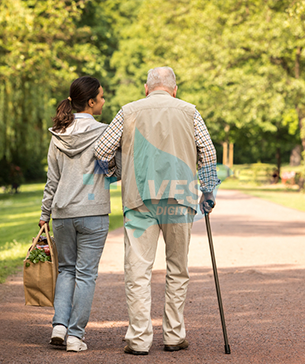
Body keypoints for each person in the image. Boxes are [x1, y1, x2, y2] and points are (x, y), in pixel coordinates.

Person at [94, 67, 221, 355]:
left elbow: (102, 150)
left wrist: (117, 173)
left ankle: (139, 340)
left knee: (138, 270)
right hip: (180, 198)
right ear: (175, 89)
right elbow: (209, 153)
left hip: (139, 199)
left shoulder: (128, 111)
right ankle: (174, 336)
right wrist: (208, 190)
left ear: (146, 87)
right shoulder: (189, 111)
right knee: (178, 268)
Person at [39, 76, 113, 352]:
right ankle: (75, 336)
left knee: (66, 270)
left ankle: (59, 325)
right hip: (93, 213)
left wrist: (45, 214)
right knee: (86, 274)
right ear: (91, 102)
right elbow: (111, 170)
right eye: (101, 97)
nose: (104, 101)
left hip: (62, 214)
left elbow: (52, 180)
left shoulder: (58, 134)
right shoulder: (105, 132)